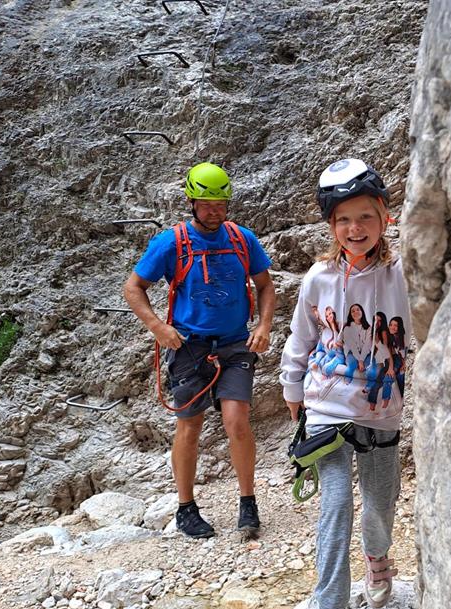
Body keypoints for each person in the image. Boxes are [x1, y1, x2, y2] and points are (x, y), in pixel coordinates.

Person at [281, 158, 411, 609]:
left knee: (380, 503)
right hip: (326, 406)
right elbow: (302, 335)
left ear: (384, 215)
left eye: (364, 217)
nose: (354, 228)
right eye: (342, 220)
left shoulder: (403, 275)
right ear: (331, 225)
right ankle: (328, 600)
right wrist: (292, 388)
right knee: (335, 506)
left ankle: (377, 557)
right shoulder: (320, 278)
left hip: (381, 407)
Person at [123, 162, 276, 539]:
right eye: (207, 204)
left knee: (237, 421)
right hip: (189, 346)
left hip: (234, 344)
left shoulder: (242, 239)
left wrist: (264, 325)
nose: (215, 211)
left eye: (221, 204)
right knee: (189, 425)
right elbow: (133, 288)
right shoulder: (170, 243)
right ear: (191, 201)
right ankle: (186, 508)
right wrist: (158, 327)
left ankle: (247, 503)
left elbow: (265, 285)